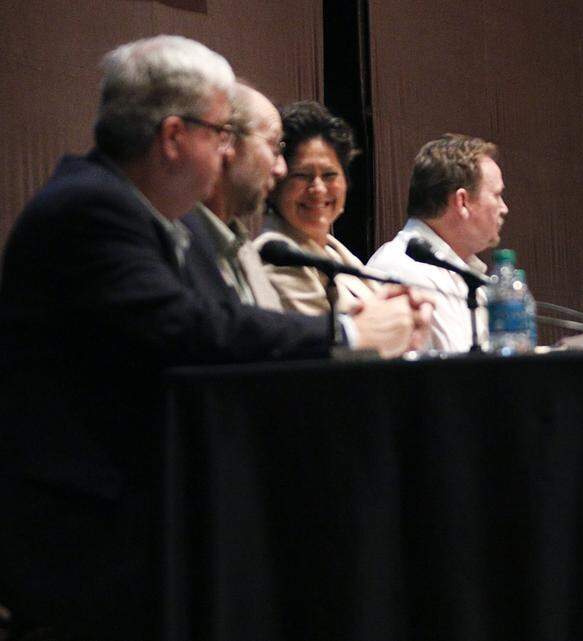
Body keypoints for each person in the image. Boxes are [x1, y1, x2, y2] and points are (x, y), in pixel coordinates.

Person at [0, 36, 424, 640]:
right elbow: (186, 330)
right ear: (174, 138)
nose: (229, 151)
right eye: (222, 133)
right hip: (96, 540)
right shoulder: (92, 209)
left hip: (139, 520)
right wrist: (348, 330)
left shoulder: (134, 210)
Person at [367, 134, 508, 352]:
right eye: (497, 195)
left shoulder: (464, 274)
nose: (504, 208)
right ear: (462, 201)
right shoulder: (403, 270)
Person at [253, 101, 387, 315]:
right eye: (302, 176)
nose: (318, 188)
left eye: (329, 175)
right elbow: (330, 343)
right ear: (276, 183)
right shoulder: (277, 256)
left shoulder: (335, 252)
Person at [185, 82, 287, 309]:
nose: (281, 169)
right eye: (274, 147)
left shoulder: (242, 246)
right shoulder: (175, 242)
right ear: (226, 140)